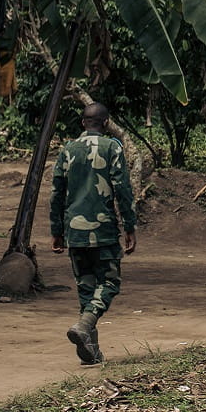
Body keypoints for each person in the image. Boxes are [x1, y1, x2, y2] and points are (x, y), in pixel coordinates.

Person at [50, 102, 137, 365]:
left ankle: (91, 350)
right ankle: (85, 326)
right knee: (110, 283)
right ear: (106, 123)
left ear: (82, 123)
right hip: (103, 229)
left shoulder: (68, 149)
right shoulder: (112, 147)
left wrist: (57, 231)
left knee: (86, 288)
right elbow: (123, 189)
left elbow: (57, 194)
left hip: (74, 230)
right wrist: (130, 227)